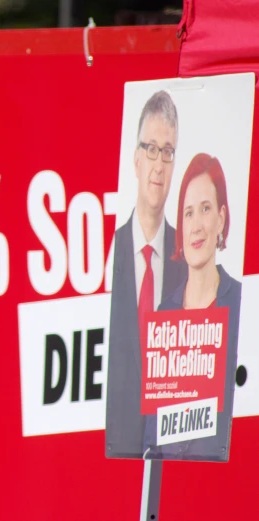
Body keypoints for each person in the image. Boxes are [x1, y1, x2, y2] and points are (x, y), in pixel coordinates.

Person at [105, 90, 187, 459]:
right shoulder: (111, 250)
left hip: (175, 460)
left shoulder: (189, 262)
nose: (158, 164)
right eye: (151, 149)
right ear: (136, 159)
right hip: (113, 462)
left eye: (167, 151)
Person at [144, 153, 241, 461]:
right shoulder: (163, 315)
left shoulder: (240, 304)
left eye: (205, 209)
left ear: (221, 219)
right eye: (188, 213)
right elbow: (151, 437)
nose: (196, 225)